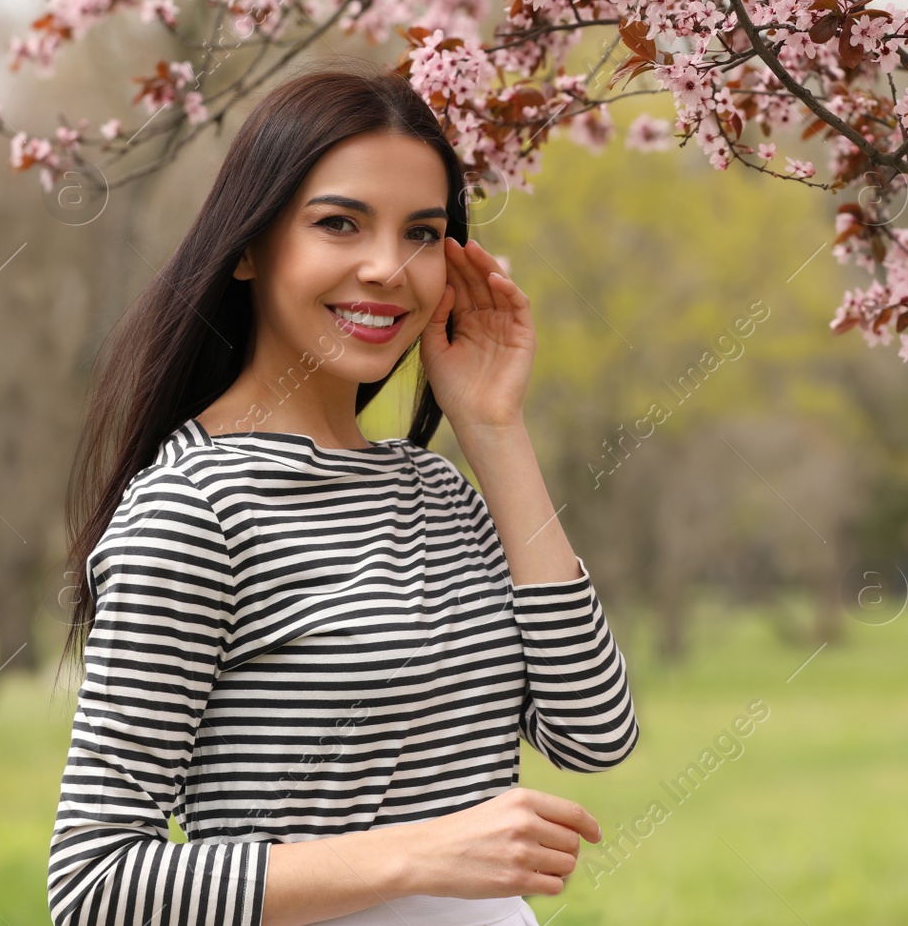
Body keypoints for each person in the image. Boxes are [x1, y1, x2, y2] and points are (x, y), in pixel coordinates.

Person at [47, 65, 640, 926]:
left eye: (422, 234)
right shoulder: (193, 511)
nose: (386, 268)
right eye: (338, 223)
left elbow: (592, 732)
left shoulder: (438, 490)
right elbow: (96, 887)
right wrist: (419, 854)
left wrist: (494, 430)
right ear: (248, 247)